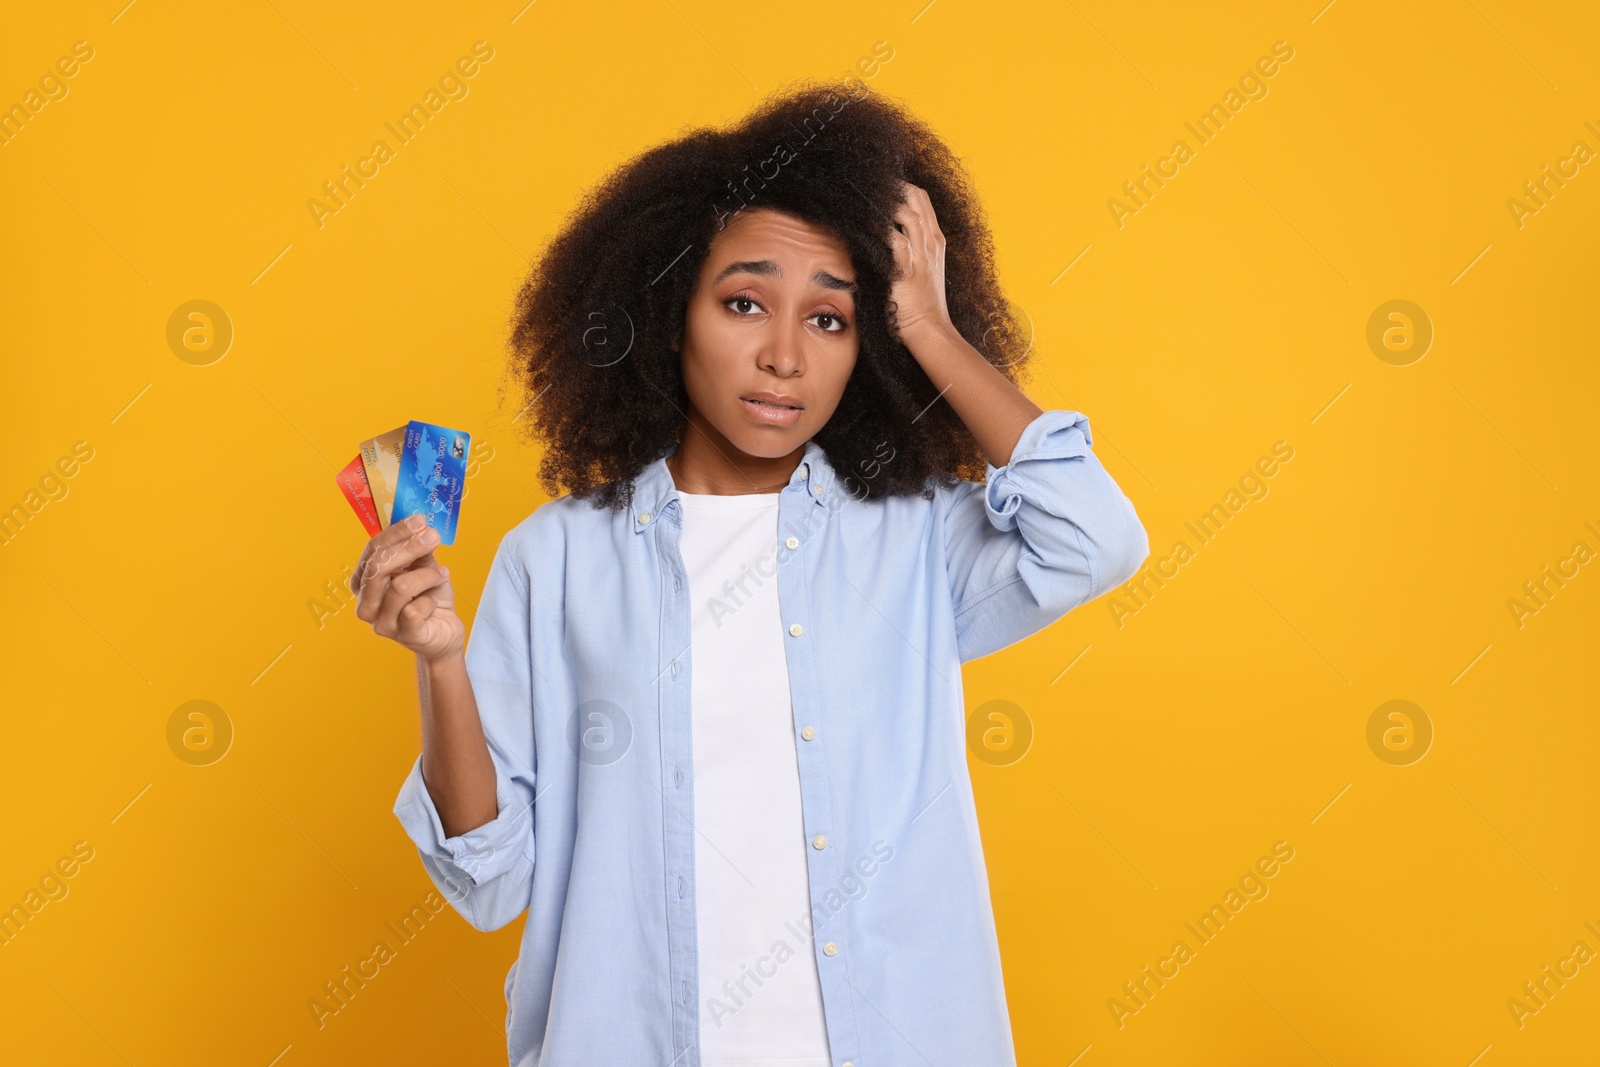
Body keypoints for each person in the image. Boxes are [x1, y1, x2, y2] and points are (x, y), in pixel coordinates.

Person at [351, 79, 1149, 1067]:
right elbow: (488, 877)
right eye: (743, 302)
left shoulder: (909, 542)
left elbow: (1094, 539)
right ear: (664, 308)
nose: (783, 356)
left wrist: (933, 328)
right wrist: (438, 661)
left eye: (831, 318)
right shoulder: (555, 557)